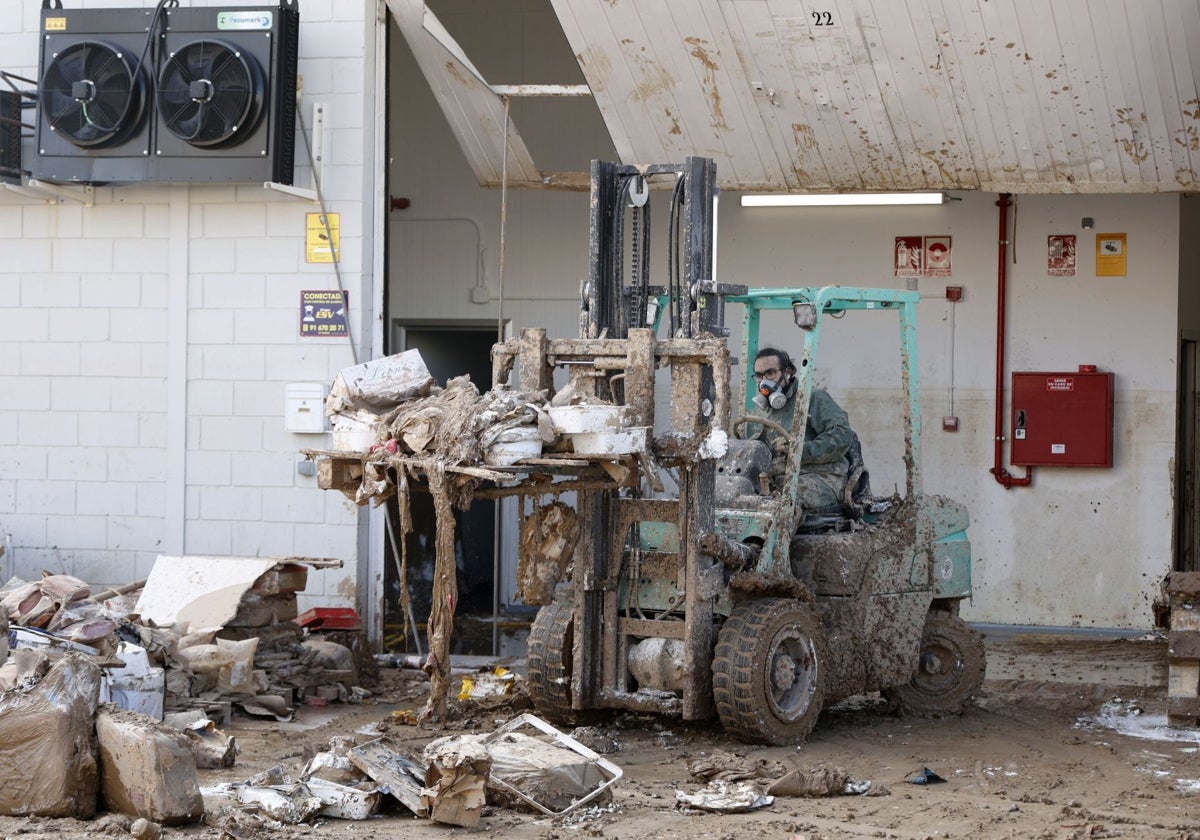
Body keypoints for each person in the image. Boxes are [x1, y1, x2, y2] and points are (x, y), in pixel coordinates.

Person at [748, 346, 854, 510]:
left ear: (787, 372)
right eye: (759, 376)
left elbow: (842, 437)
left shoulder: (813, 399)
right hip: (777, 479)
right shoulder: (757, 414)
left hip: (822, 477)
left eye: (770, 373)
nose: (764, 381)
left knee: (786, 499)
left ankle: (780, 535)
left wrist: (798, 450)